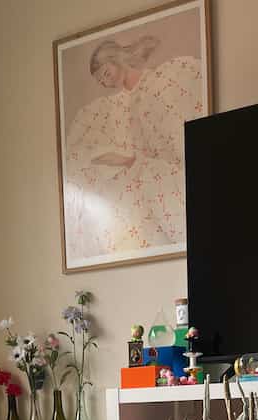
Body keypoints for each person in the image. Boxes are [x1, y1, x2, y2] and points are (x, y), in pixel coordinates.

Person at [63, 34, 204, 260]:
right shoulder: (117, 106)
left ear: (116, 59)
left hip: (168, 165)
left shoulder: (162, 79)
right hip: (144, 168)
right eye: (100, 80)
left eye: (105, 73)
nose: (105, 81)